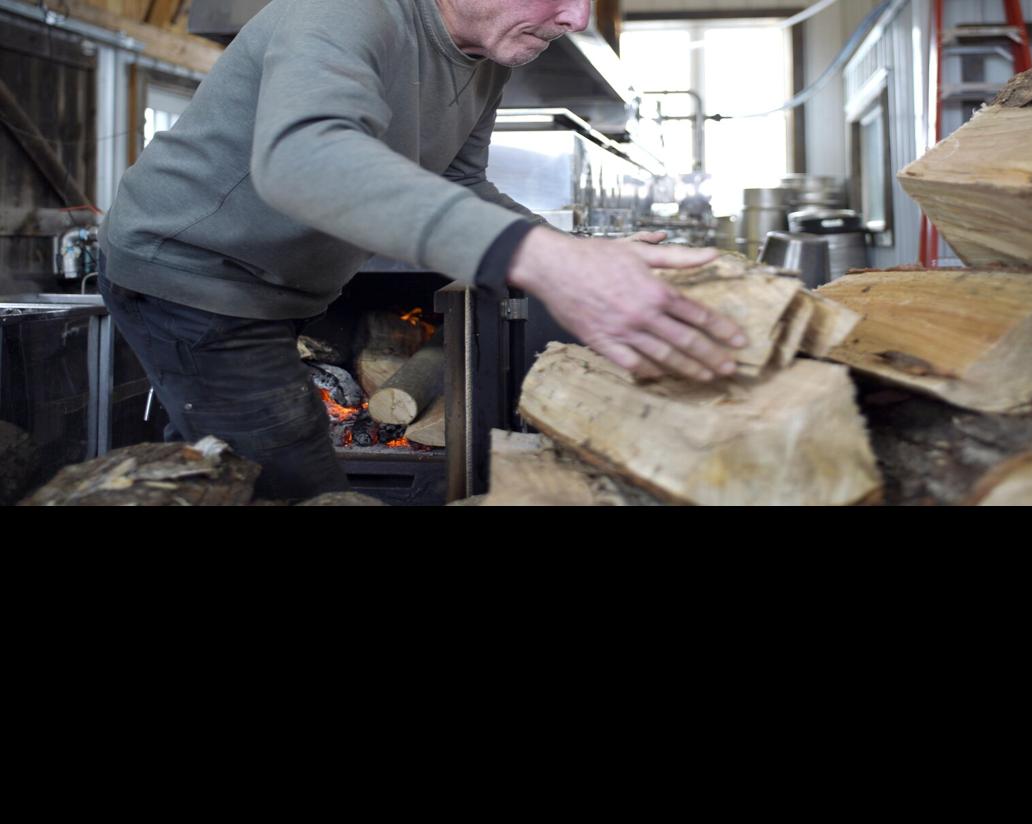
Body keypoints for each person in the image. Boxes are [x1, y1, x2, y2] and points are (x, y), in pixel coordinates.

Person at [97, 0, 746, 499]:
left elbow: (458, 180)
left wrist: (569, 250)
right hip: (189, 273)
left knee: (233, 470)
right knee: (297, 485)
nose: (576, 17)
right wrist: (543, 262)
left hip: (279, 284)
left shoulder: (489, 54)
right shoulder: (347, 10)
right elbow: (302, 159)